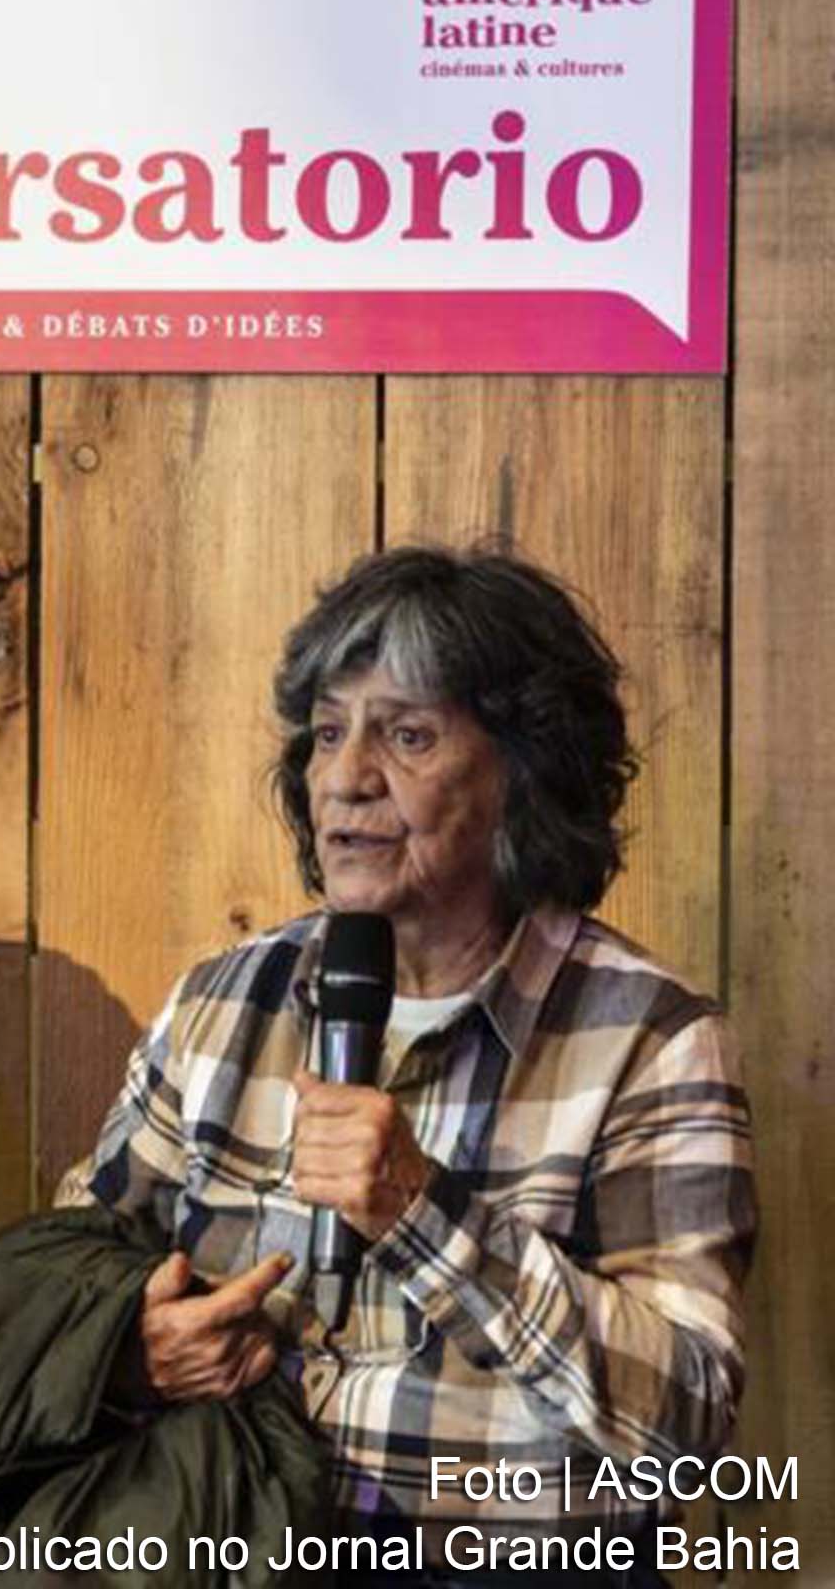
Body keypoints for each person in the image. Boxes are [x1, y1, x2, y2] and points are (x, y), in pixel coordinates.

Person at [59, 546, 755, 1584]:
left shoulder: (649, 1038)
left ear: (525, 770)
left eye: (409, 734)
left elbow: (687, 1415)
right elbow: (73, 1262)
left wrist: (423, 1211)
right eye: (329, 732)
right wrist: (132, 1343)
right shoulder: (223, 1001)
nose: (345, 777)